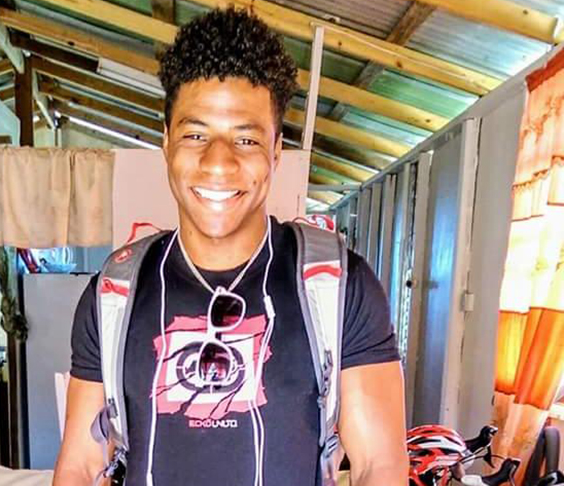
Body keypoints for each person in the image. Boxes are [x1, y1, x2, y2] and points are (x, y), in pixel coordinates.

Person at [53, 7, 408, 486]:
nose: (217, 163)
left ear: (276, 150)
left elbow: (379, 465)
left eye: (245, 140)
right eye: (196, 134)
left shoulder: (339, 288)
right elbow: (80, 463)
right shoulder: (112, 294)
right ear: (166, 142)